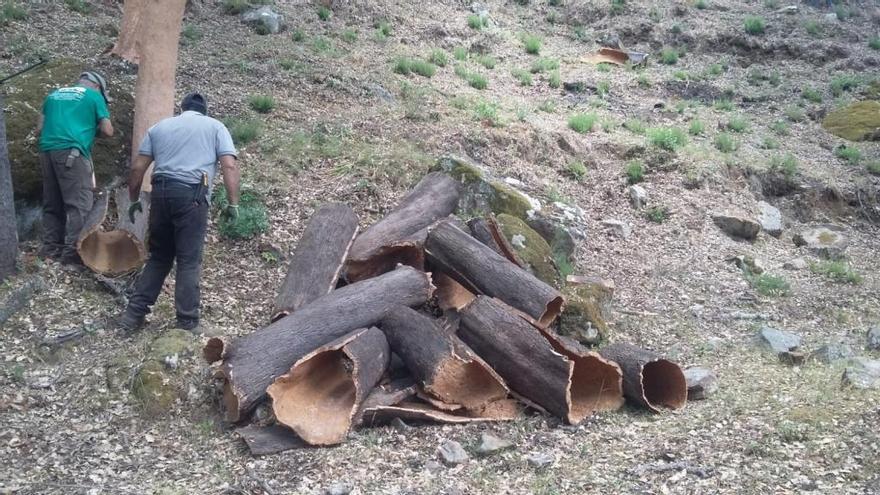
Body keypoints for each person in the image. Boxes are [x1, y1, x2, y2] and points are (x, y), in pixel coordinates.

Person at [117, 92, 240, 334]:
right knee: (188, 260)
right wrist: (233, 202)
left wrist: (132, 199)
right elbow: (229, 164)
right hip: (192, 197)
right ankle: (187, 322)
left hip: (161, 194)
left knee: (159, 257)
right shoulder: (215, 127)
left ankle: (132, 316)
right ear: (204, 110)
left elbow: (138, 166)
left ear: (181, 108)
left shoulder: (160, 127)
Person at [37, 71, 114, 265]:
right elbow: (107, 130)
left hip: (47, 152)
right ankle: (73, 255)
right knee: (79, 204)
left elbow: (39, 128)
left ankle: (50, 250)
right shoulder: (94, 97)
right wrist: (91, 129)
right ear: (97, 87)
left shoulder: (53, 95)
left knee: (52, 204)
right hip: (72, 154)